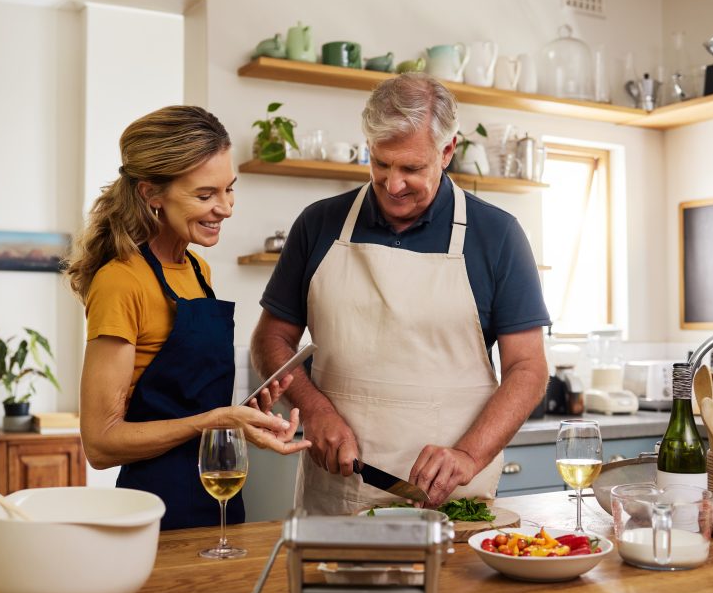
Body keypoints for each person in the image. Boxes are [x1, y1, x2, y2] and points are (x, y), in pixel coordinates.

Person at [251, 73, 550, 515]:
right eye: (380, 164)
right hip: (337, 497)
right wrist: (314, 411)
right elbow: (270, 340)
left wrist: (468, 454)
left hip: (450, 502)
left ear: (447, 151)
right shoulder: (319, 224)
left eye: (411, 168)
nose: (393, 186)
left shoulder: (497, 235)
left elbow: (529, 368)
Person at [66, 105, 310, 530]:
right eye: (205, 195)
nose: (226, 208)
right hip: (155, 512)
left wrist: (244, 415)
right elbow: (101, 444)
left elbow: (187, 404)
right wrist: (216, 420)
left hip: (220, 501)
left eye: (229, 189)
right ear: (150, 194)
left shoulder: (199, 271)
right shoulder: (120, 282)